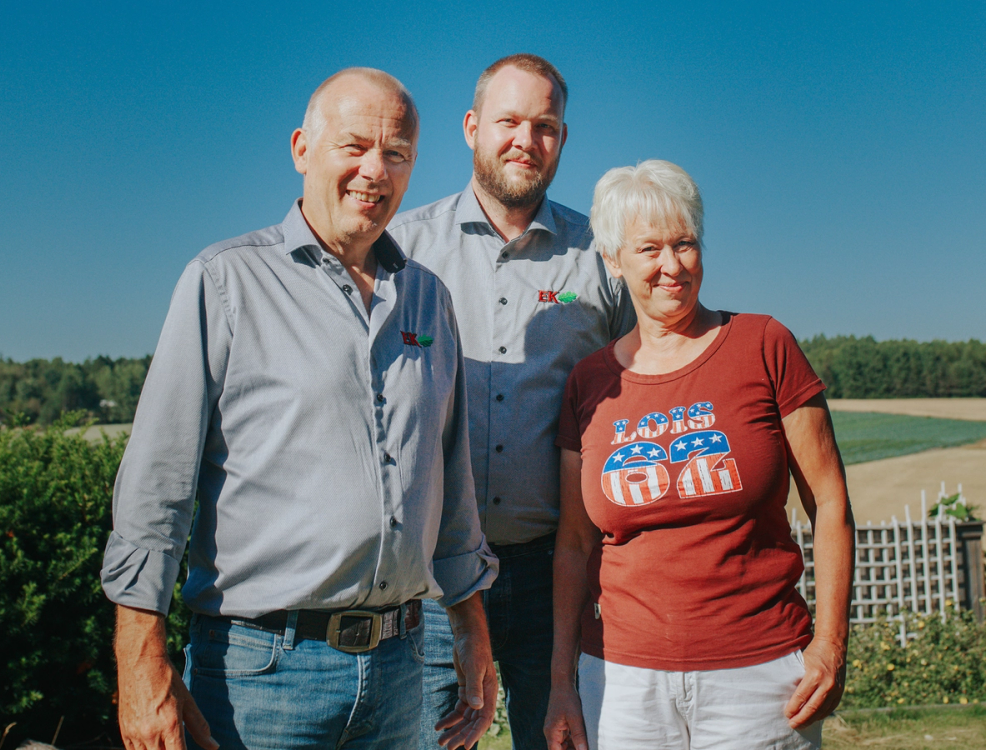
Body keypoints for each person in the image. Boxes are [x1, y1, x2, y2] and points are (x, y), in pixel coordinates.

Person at [100, 68, 499, 750]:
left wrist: (470, 626)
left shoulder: (428, 299)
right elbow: (157, 487)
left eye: (397, 154)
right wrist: (140, 665)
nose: (375, 170)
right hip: (261, 677)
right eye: (355, 146)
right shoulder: (225, 282)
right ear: (301, 149)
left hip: (402, 667)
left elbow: (450, 478)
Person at [543, 160, 855, 750]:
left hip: (761, 677)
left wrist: (831, 644)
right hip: (621, 680)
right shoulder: (589, 383)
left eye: (685, 244)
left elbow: (831, 503)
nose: (672, 266)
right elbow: (575, 545)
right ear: (614, 261)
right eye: (650, 249)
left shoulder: (765, 345)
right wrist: (562, 681)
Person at [388, 54, 634, 750]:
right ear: (471, 128)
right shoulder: (402, 251)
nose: (527, 139)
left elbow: (640, 395)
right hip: (429, 581)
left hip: (557, 573)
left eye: (546, 125)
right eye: (509, 121)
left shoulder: (600, 259)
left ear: (562, 139)